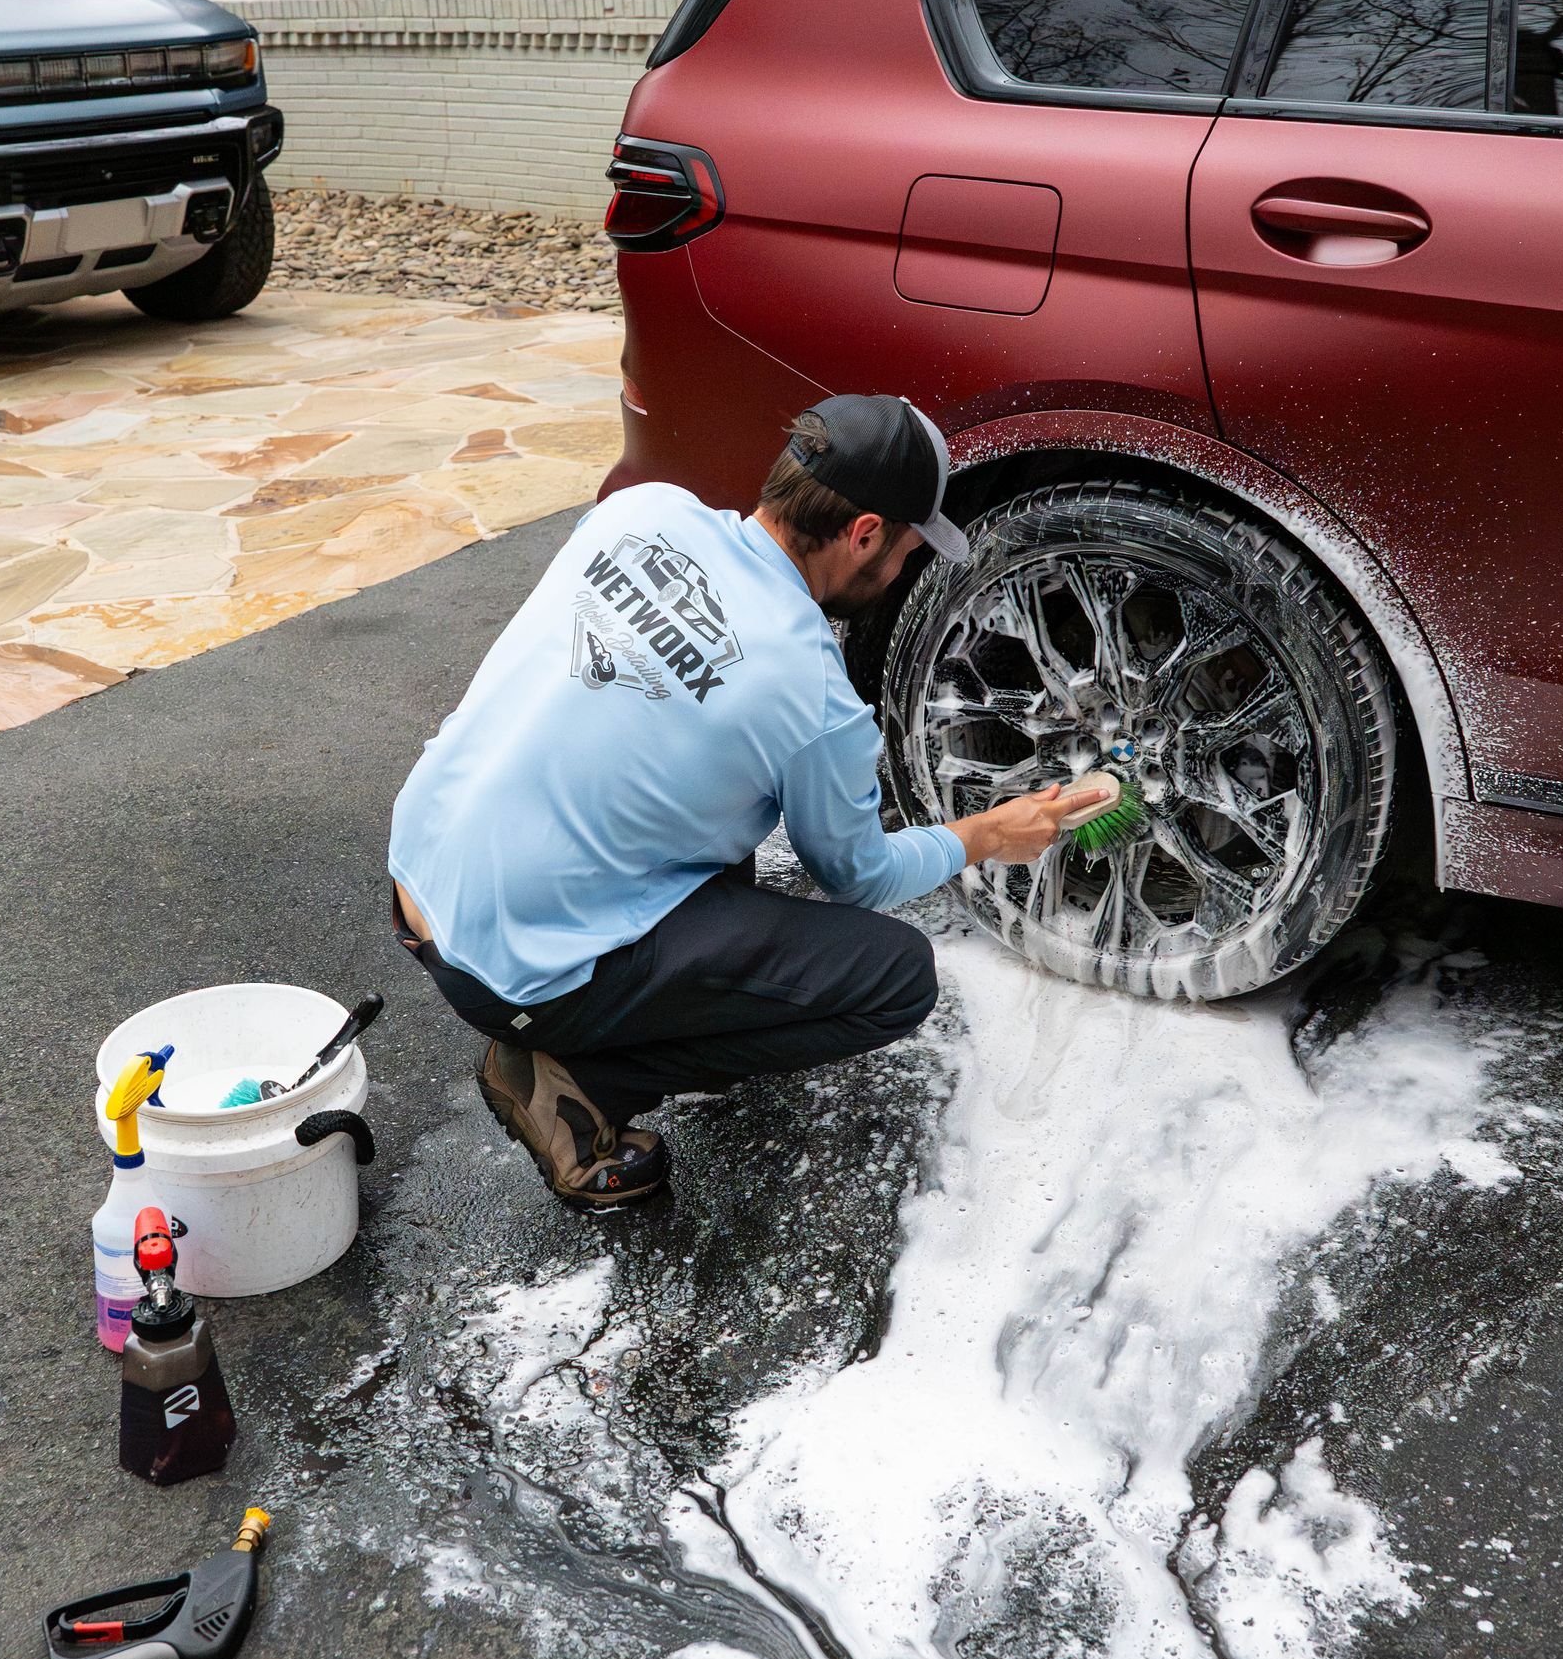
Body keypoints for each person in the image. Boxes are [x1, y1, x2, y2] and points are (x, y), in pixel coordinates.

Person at [387, 394, 1106, 1209]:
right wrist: (982, 835)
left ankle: (599, 1019)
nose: (903, 570)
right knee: (896, 977)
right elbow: (859, 880)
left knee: (711, 790)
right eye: (908, 549)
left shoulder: (643, 509)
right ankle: (576, 1077)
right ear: (865, 532)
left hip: (418, 866)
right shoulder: (811, 695)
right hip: (512, 975)